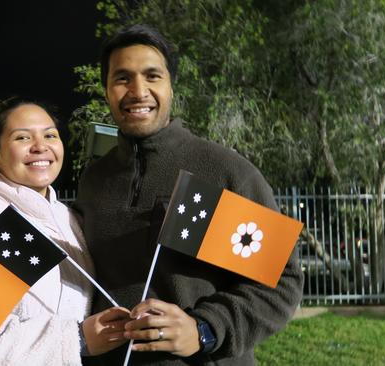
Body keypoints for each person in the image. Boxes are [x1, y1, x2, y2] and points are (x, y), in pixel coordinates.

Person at [74, 25, 304, 365]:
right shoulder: (93, 179)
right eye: (122, 78)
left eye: (152, 76)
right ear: (106, 89)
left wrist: (205, 329)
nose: (138, 91)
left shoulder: (224, 169)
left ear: (171, 86)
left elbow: (282, 280)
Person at [0, 98, 129, 365]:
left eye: (50, 135)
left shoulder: (68, 220)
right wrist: (75, 339)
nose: (40, 146)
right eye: (22, 137)